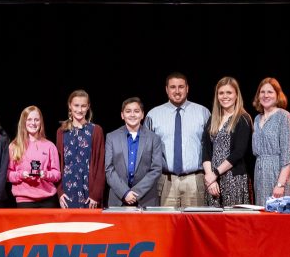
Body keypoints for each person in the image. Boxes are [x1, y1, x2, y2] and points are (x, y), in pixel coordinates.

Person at [145, 73, 211, 207]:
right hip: (165, 181)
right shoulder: (153, 115)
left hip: (195, 180)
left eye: (181, 87)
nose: (177, 91)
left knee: (194, 225)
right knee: (166, 226)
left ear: (187, 88)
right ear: (166, 89)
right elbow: (146, 151)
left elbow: (210, 148)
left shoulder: (203, 113)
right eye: (172, 87)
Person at [202, 77, 253, 207]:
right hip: (213, 181)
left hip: (233, 179)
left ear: (236, 95)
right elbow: (206, 151)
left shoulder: (242, 119)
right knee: (212, 223)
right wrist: (210, 178)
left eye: (229, 92)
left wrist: (216, 173)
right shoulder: (213, 119)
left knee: (232, 223)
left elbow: (238, 152)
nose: (225, 96)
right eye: (221, 93)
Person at [105, 97, 164, 208]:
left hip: (146, 199)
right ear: (122, 115)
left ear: (142, 115)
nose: (132, 115)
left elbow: (156, 169)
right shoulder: (111, 137)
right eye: (128, 111)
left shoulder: (154, 138)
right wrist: (125, 192)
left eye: (136, 111)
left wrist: (135, 193)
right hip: (119, 198)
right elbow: (109, 169)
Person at [251, 77, 290, 204]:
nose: (266, 95)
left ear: (278, 95)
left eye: (270, 92)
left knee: (281, 219)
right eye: (262, 92)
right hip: (261, 175)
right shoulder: (256, 119)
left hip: (279, 175)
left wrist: (280, 184)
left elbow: (288, 155)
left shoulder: (284, 117)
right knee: (263, 219)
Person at [56, 90, 105, 209]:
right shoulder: (61, 131)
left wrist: (96, 194)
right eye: (76, 105)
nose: (79, 110)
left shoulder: (96, 130)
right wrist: (60, 192)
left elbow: (100, 164)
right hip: (67, 190)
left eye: (83, 106)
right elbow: (58, 164)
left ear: (88, 107)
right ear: (70, 105)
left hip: (90, 190)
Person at [7, 106, 61, 207]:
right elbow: (8, 174)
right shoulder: (14, 146)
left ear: (41, 122)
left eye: (36, 120)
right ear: (24, 122)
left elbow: (57, 174)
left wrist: (45, 174)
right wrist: (21, 175)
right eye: (29, 119)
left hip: (48, 199)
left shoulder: (49, 146)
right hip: (24, 200)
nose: (33, 123)